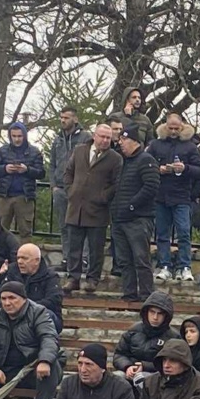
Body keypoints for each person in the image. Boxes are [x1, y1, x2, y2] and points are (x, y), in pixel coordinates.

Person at [61, 122, 122, 292]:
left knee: (96, 248)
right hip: (76, 208)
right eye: (102, 136)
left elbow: (117, 183)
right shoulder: (80, 150)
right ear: (94, 136)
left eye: (108, 138)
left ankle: (92, 279)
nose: (105, 140)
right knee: (74, 247)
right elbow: (68, 172)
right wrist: (71, 191)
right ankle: (73, 278)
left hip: (98, 210)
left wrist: (103, 197)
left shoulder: (115, 158)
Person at [147, 113, 200, 281]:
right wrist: (158, 169)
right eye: (170, 128)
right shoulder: (156, 145)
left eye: (176, 128)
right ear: (165, 127)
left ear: (182, 127)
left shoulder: (190, 147)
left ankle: (185, 266)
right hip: (161, 196)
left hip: (182, 197)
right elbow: (145, 164)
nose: (173, 131)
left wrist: (185, 168)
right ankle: (164, 265)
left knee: (184, 233)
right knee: (162, 234)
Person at [109, 122, 161, 301]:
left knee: (141, 258)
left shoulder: (146, 160)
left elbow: (151, 187)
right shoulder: (123, 162)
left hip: (138, 218)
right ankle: (129, 293)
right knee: (124, 260)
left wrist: (132, 206)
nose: (120, 143)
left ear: (134, 141)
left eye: (123, 140)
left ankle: (146, 294)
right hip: (119, 219)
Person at [0, 120, 44, 241]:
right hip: (4, 196)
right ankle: (0, 253)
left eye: (19, 136)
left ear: (24, 135)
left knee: (25, 231)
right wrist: (5, 169)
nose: (17, 139)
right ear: (10, 136)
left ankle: (25, 253)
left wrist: (27, 170)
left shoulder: (34, 152)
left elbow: (41, 173)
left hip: (25, 196)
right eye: (14, 136)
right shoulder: (3, 151)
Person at [113, 290, 178, 379]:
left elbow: (174, 364)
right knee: (116, 377)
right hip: (130, 370)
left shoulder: (173, 337)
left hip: (157, 376)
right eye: (152, 312)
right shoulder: (133, 330)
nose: (155, 317)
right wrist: (127, 367)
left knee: (141, 378)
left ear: (166, 316)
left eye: (160, 314)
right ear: (146, 312)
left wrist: (145, 366)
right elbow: (119, 354)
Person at [48, 106, 91, 232]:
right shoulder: (58, 139)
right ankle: (66, 247)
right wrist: (53, 186)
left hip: (78, 190)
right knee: (63, 227)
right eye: (61, 117)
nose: (63, 120)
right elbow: (52, 164)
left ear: (75, 119)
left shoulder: (85, 138)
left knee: (79, 227)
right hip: (60, 189)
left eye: (66, 118)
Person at [3, 242, 63, 329]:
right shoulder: (12, 272)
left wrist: (24, 307)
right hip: (13, 312)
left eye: (24, 258)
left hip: (39, 313)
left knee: (45, 314)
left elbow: (53, 300)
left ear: (37, 260)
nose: (20, 261)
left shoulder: (50, 276)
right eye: (18, 258)